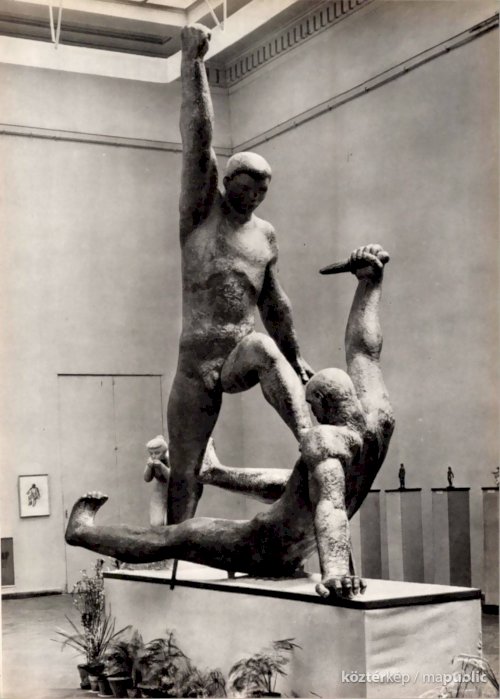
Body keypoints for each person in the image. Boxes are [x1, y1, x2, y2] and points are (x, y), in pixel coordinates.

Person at [66, 245, 394, 599]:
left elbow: (330, 506)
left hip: (262, 547)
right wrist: (369, 285)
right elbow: (364, 352)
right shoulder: (378, 420)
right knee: (185, 531)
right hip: (294, 549)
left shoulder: (325, 442)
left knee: (175, 536)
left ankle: (81, 532)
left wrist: (336, 572)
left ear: (321, 405)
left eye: (310, 405)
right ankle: (96, 527)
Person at [167, 24, 313, 525]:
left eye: (261, 192)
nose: (253, 198)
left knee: (266, 350)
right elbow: (198, 138)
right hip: (195, 365)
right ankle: (173, 552)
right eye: (247, 187)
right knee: (185, 475)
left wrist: (297, 356)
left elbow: (275, 304)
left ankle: (311, 439)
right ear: (227, 181)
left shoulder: (264, 237)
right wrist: (193, 63)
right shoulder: (200, 213)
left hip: (236, 354)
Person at [144, 435, 171, 527]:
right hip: (159, 490)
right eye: (151, 453)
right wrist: (149, 467)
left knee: (172, 521)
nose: (154, 456)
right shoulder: (151, 460)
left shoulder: (169, 458)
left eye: (157, 453)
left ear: (164, 452)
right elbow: (147, 479)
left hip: (173, 490)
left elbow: (172, 478)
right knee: (156, 522)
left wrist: (161, 466)